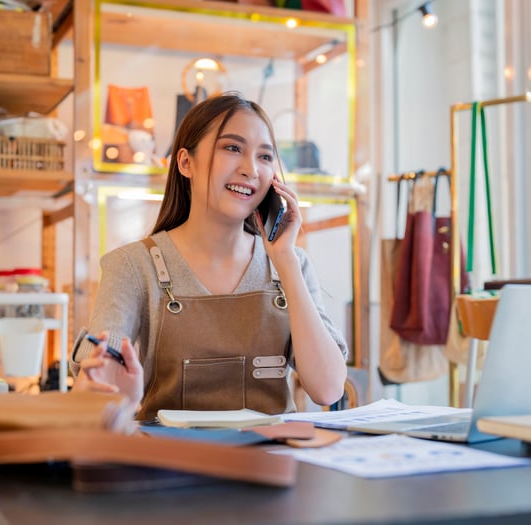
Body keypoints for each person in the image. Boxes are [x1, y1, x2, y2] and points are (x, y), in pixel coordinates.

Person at [71, 92, 348, 419]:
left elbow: (328, 389)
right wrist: (106, 386)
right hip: (169, 452)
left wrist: (284, 260)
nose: (250, 169)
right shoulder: (132, 266)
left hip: (272, 451)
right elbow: (94, 387)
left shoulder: (293, 264)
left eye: (264, 156)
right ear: (185, 163)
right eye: (232, 148)